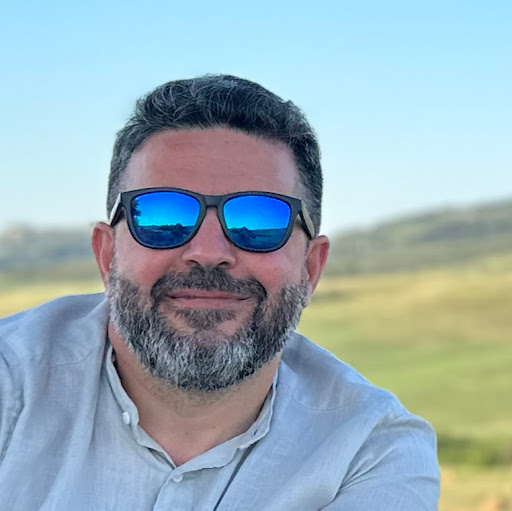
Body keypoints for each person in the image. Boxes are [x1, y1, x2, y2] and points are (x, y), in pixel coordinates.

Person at [0, 75, 440, 510]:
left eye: (259, 219)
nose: (208, 253)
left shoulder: (370, 451)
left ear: (310, 269)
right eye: (160, 215)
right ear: (107, 255)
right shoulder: (12, 381)